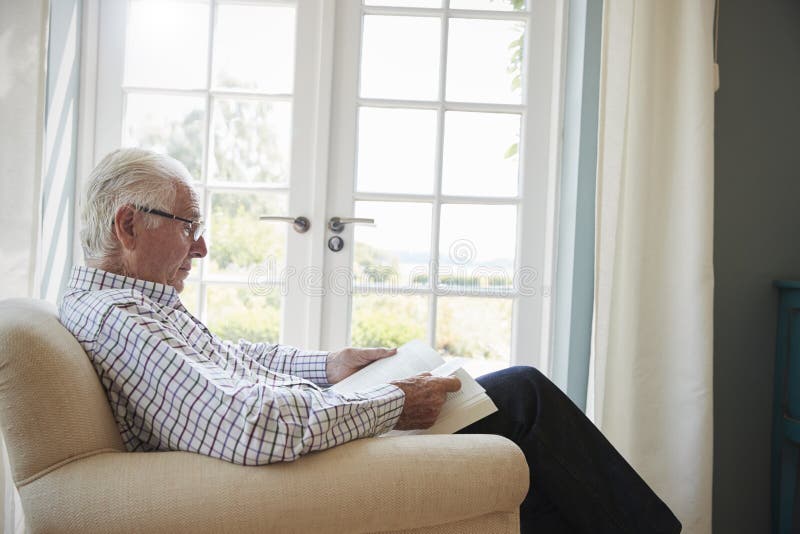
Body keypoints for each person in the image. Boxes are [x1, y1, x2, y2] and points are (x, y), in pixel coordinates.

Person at [60, 147, 681, 534]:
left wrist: (332, 365)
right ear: (129, 224)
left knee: (532, 453)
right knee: (522, 398)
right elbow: (247, 426)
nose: (200, 246)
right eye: (189, 226)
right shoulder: (118, 319)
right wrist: (393, 402)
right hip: (296, 459)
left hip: (306, 439)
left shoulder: (133, 305)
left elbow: (234, 360)